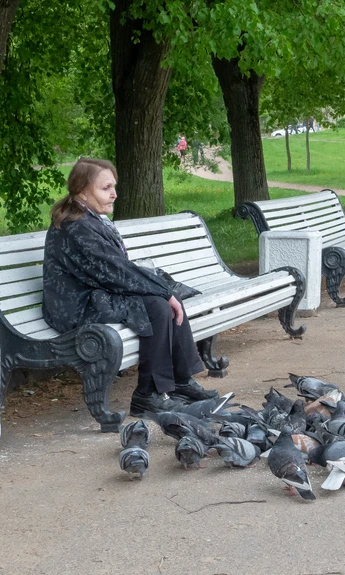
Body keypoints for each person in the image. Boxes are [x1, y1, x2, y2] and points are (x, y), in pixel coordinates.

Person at [42, 158, 217, 424]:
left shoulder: (88, 217)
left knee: (164, 298)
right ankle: (147, 395)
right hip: (76, 305)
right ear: (82, 190)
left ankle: (181, 381)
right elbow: (114, 271)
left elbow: (114, 270)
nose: (114, 193)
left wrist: (165, 289)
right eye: (106, 188)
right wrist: (163, 290)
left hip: (96, 291)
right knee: (159, 305)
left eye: (114, 186)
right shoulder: (75, 225)